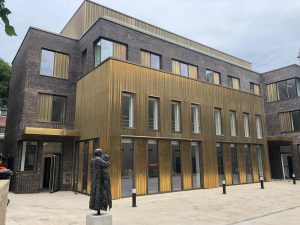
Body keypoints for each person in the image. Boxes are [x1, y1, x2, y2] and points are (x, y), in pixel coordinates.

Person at [89, 149, 112, 215]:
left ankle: (97, 206)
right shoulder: (98, 160)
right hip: (99, 180)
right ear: (99, 154)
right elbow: (106, 164)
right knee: (99, 194)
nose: (102, 154)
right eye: (101, 153)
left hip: (94, 180)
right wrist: (107, 159)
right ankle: (98, 206)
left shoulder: (92, 160)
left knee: (95, 193)